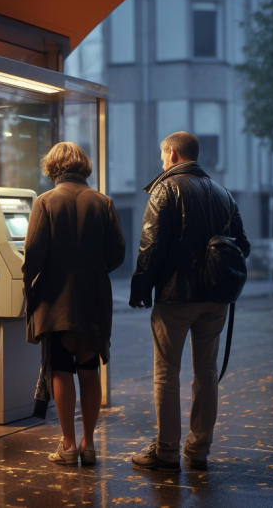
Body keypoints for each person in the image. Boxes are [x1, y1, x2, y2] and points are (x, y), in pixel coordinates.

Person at [129, 131, 250, 471]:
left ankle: (166, 451)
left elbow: (150, 245)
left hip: (175, 298)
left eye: (162, 155)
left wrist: (141, 288)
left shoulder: (165, 188)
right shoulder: (223, 193)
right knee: (207, 372)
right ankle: (198, 450)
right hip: (215, 298)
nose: (161, 161)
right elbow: (243, 246)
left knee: (166, 372)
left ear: (173, 154)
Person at [23, 141, 126, 466]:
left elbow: (33, 255)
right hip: (94, 301)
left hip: (56, 301)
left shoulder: (46, 202)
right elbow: (118, 254)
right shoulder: (103, 203)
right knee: (89, 368)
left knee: (62, 370)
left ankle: (67, 445)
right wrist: (93, 272)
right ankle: (89, 444)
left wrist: (31, 288)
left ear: (53, 168)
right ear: (84, 166)